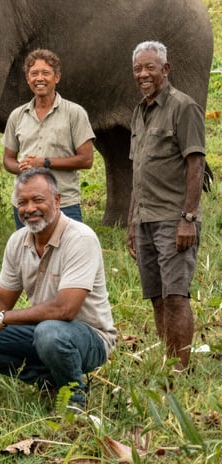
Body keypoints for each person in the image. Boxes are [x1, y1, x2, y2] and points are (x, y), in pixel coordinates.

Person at [0, 168, 116, 413]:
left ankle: (74, 398)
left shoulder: (80, 238)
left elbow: (65, 310)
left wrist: (5, 318)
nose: (29, 208)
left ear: (57, 201)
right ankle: (49, 380)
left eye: (38, 200)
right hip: (42, 331)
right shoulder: (18, 240)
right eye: (22, 202)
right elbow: (2, 296)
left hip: (89, 337)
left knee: (50, 334)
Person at [128, 40, 206, 370]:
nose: (143, 74)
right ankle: (166, 361)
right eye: (137, 69)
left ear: (166, 69)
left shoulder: (182, 107)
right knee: (157, 296)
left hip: (173, 219)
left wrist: (188, 217)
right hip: (145, 218)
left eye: (150, 67)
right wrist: (132, 221)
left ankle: (181, 367)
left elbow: (196, 163)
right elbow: (138, 169)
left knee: (176, 295)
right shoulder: (139, 112)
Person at [3, 48, 95, 227]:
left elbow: (87, 160)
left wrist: (44, 163)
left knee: (68, 253)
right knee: (29, 253)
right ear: (28, 79)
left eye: (46, 73)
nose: (39, 78)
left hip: (63, 203)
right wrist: (22, 168)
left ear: (57, 78)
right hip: (25, 204)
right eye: (34, 73)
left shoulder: (74, 113)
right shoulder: (17, 115)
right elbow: (8, 159)